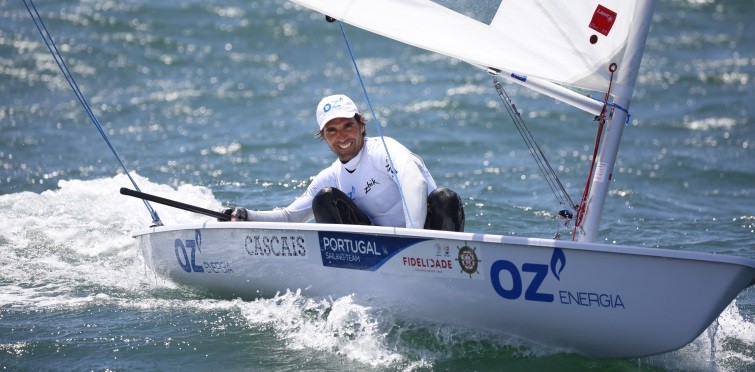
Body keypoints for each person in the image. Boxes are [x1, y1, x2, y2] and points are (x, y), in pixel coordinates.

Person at [221, 94, 464, 231]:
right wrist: (245, 215)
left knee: (445, 198)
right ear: (324, 137)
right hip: (384, 254)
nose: (342, 136)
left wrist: (412, 237)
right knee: (325, 199)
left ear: (361, 124)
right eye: (332, 130)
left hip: (429, 242)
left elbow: (414, 181)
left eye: (348, 125)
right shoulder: (331, 176)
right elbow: (290, 217)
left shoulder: (382, 150)